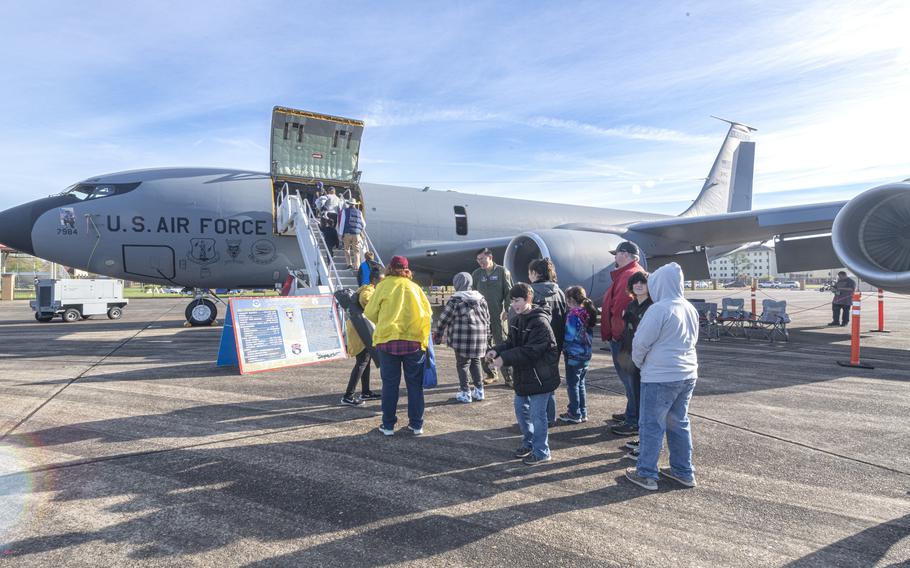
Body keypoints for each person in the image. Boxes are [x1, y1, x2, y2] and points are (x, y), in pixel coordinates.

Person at [625, 262, 699, 491]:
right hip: (687, 373)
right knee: (679, 423)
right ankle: (683, 471)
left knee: (651, 425)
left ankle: (646, 472)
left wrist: (639, 364)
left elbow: (640, 342)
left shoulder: (658, 309)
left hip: (659, 375)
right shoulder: (689, 308)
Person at [488, 283, 560, 465]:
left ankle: (542, 452)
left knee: (538, 416)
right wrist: (496, 350)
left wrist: (504, 359)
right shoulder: (517, 320)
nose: (514, 304)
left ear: (528, 299)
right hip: (524, 377)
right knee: (521, 411)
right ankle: (529, 443)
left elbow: (530, 351)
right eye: (512, 301)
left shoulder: (540, 323)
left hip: (540, 378)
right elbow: (512, 343)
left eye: (517, 300)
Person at [363, 255, 433, 437]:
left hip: (387, 341)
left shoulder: (384, 286)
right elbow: (428, 314)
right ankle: (416, 425)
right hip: (414, 342)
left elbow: (369, 312)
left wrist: (384, 320)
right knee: (414, 386)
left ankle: (388, 425)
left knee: (390, 385)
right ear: (406, 269)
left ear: (390, 268)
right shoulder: (415, 288)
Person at [600, 241, 645, 431]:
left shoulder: (629, 275)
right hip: (624, 337)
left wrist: (617, 336)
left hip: (623, 339)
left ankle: (633, 419)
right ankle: (631, 412)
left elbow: (620, 310)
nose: (614, 258)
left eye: (616, 254)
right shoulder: (628, 274)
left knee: (631, 380)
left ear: (625, 255)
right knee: (630, 380)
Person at [434, 272, 491, 403]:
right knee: (476, 361)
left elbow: (444, 319)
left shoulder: (455, 300)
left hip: (462, 339)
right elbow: (487, 319)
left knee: (463, 364)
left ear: (457, 284)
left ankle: (465, 392)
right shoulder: (481, 299)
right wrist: (487, 336)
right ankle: (479, 390)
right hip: (479, 338)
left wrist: (438, 335)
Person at [614, 271, 653, 452]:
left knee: (645, 402)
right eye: (635, 282)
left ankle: (644, 440)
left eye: (642, 282)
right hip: (630, 357)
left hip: (645, 361)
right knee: (635, 397)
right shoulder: (631, 305)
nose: (638, 285)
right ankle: (640, 435)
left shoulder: (651, 307)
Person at [528, 257, 566, 426]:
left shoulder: (530, 292)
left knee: (534, 382)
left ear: (535, 273)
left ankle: (539, 417)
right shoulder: (560, 292)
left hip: (535, 344)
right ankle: (550, 416)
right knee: (549, 380)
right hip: (555, 343)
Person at [341, 270, 383, 406]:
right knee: (362, 361)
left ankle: (366, 392)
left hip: (359, 328)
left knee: (366, 360)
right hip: (360, 330)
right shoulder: (368, 289)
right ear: (374, 280)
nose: (383, 282)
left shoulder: (368, 288)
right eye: (381, 279)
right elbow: (365, 299)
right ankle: (348, 396)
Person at [472, 248, 513, 386]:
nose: (480, 262)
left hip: (498, 316)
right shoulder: (477, 274)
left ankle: (509, 377)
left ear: (490, 257)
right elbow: (472, 294)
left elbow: (509, 292)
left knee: (502, 345)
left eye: (482, 259)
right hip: (482, 317)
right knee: (484, 346)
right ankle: (491, 373)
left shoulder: (502, 272)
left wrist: (507, 310)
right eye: (478, 260)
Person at [558, 286, 597, 424]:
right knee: (581, 383)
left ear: (570, 300)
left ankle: (574, 413)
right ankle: (582, 411)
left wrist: (563, 347)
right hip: (586, 353)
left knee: (572, 384)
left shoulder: (573, 314)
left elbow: (569, 335)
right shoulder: (587, 312)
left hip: (574, 354)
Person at [340, 202, 366, 269]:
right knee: (356, 251)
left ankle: (349, 265)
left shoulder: (345, 211)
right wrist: (359, 230)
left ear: (349, 204)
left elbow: (342, 223)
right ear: (355, 204)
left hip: (347, 233)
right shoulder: (359, 212)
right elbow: (364, 224)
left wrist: (340, 234)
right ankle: (357, 266)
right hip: (356, 234)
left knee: (346, 249)